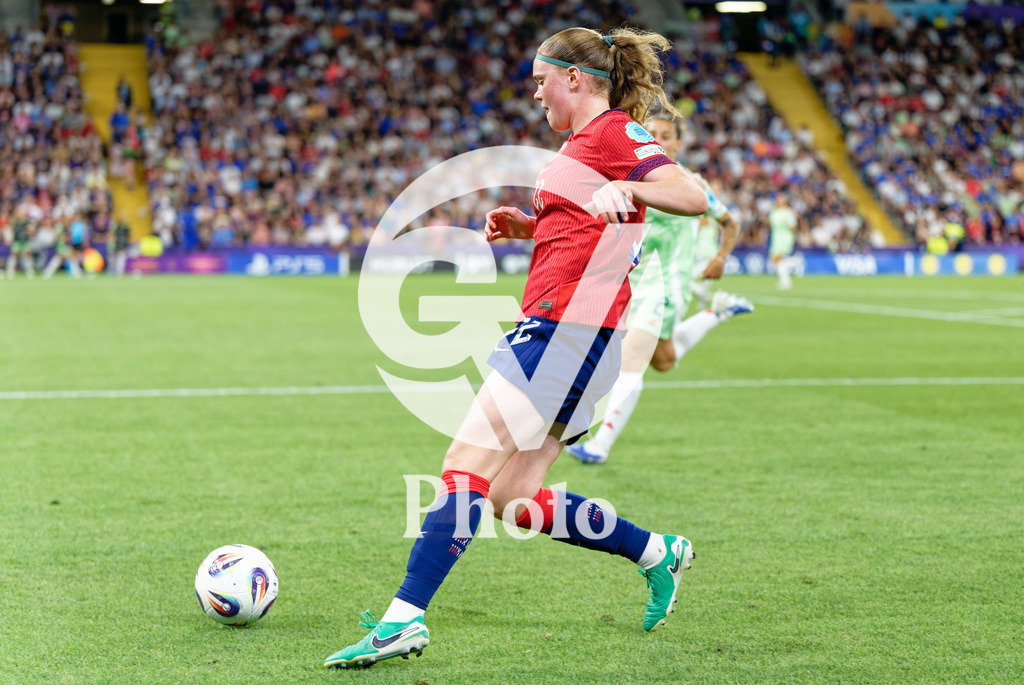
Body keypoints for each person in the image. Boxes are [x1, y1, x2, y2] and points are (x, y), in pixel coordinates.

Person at [324, 27, 709, 669]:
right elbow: (589, 227)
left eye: (540, 80)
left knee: (464, 463)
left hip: (566, 330)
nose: (535, 93)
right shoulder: (579, 146)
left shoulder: (613, 131)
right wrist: (534, 226)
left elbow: (692, 196)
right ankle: (655, 553)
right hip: (580, 336)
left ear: (575, 78)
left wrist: (635, 189)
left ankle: (403, 620)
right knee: (513, 498)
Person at [566, 113, 752, 465]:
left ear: (678, 144)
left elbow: (730, 223)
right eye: (649, 133)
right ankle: (717, 313)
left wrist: (721, 257)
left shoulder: (690, 184)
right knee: (664, 360)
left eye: (665, 135)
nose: (657, 139)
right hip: (630, 283)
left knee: (630, 360)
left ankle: (599, 445)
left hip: (664, 286)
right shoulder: (630, 175)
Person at [768, 194, 798, 290]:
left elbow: (793, 226)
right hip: (776, 237)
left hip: (784, 237)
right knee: (774, 260)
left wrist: (793, 237)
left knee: (778, 258)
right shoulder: (774, 212)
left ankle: (785, 282)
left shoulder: (788, 212)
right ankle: (786, 279)